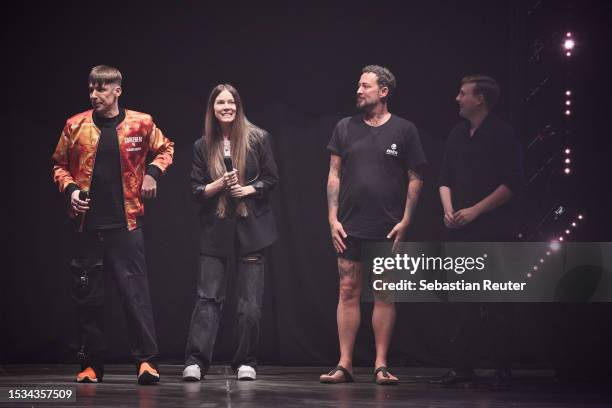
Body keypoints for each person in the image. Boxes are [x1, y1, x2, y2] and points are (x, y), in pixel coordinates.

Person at [51, 65, 174, 385]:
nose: (94, 95)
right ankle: (91, 365)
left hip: (126, 224)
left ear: (117, 91)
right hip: (87, 227)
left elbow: (165, 149)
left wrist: (152, 173)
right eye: (91, 88)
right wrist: (71, 190)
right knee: (88, 297)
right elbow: (59, 165)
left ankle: (146, 362)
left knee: (135, 294)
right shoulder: (74, 125)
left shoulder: (140, 122)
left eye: (101, 89)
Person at [320, 65, 426, 385]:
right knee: (348, 289)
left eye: (365, 86)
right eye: (358, 85)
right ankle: (345, 364)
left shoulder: (404, 130)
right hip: (349, 224)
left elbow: (416, 177)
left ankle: (381, 364)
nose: (358, 90)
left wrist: (406, 220)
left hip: (387, 226)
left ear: (383, 92)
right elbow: (334, 174)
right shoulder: (344, 127)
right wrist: (331, 218)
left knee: (384, 293)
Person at [430, 75, 524, 390]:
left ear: (480, 98)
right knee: (461, 303)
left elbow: (511, 184)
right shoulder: (457, 133)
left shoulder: (502, 133)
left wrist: (475, 210)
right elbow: (444, 177)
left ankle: (503, 366)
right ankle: (462, 367)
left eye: (462, 93)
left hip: (494, 230)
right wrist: (448, 209)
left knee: (497, 302)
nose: (457, 98)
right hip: (459, 232)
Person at [183, 84, 278, 382]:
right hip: (215, 231)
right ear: (212, 109)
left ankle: (245, 361)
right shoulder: (202, 145)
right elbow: (197, 189)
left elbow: (271, 179)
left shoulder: (258, 138)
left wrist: (247, 188)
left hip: (252, 230)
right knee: (207, 298)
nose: (226, 107)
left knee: (249, 303)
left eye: (231, 102)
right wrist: (220, 185)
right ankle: (196, 361)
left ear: (238, 106)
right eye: (220, 102)